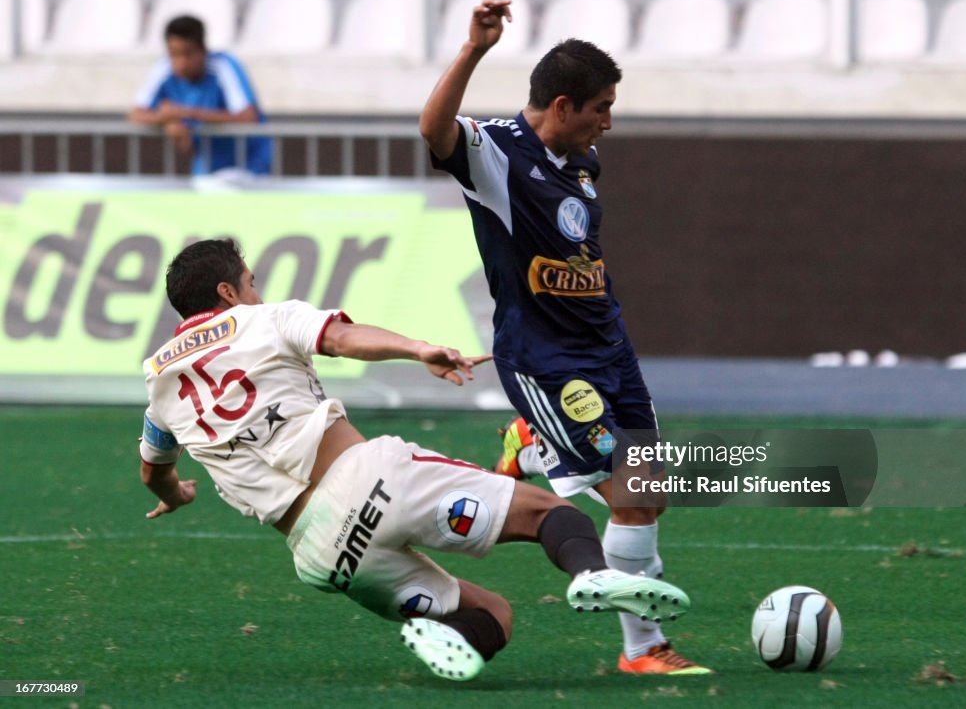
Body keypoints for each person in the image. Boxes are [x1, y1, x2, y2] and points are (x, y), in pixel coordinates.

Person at [138, 238, 691, 682]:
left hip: (321, 554)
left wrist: (175, 494)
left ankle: (447, 637)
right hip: (372, 483)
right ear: (227, 292)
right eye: (251, 282)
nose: (258, 292)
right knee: (551, 516)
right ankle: (592, 574)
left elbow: (153, 467)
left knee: (491, 617)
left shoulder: (158, 381)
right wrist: (418, 348)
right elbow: (343, 337)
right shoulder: (264, 320)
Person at [420, 0, 711, 675]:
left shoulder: (584, 161)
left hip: (611, 348)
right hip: (548, 361)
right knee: (633, 499)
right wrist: (474, 49)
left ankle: (530, 448)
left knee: (650, 489)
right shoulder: (495, 155)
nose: (608, 121)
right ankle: (644, 651)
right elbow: (433, 129)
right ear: (561, 103)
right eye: (600, 107)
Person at [128, 15, 272, 176]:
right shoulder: (163, 68)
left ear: (203, 51)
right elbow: (136, 115)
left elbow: (248, 117)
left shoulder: (223, 65)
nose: (181, 63)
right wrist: (168, 120)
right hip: (207, 168)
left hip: (249, 167)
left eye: (188, 54)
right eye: (174, 55)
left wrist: (184, 113)